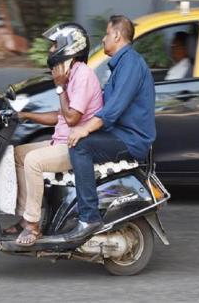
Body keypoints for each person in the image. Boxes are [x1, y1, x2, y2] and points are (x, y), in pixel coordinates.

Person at [6, 23, 103, 246]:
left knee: (33, 161)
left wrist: (59, 87)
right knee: (18, 154)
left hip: (75, 147)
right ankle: (25, 216)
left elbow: (72, 119)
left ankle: (33, 225)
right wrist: (27, 115)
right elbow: (61, 116)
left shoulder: (83, 76)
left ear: (68, 47)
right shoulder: (72, 74)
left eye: (54, 46)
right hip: (61, 141)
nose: (51, 51)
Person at [64, 15, 156, 241]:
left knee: (81, 147)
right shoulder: (121, 65)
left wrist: (84, 130)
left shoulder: (131, 64)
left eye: (106, 34)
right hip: (120, 134)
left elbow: (112, 110)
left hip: (130, 140)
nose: (103, 39)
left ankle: (89, 217)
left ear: (116, 35)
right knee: (79, 140)